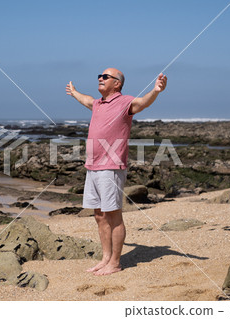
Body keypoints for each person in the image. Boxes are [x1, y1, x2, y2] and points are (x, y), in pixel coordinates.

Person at [66, 68, 167, 275]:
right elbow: (86, 100)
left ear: (117, 83)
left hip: (110, 168)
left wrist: (155, 91)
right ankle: (105, 258)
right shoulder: (98, 104)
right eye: (99, 76)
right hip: (92, 167)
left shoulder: (125, 102)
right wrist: (75, 92)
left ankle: (115, 262)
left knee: (113, 215)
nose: (100, 79)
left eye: (105, 77)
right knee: (99, 215)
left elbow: (143, 102)